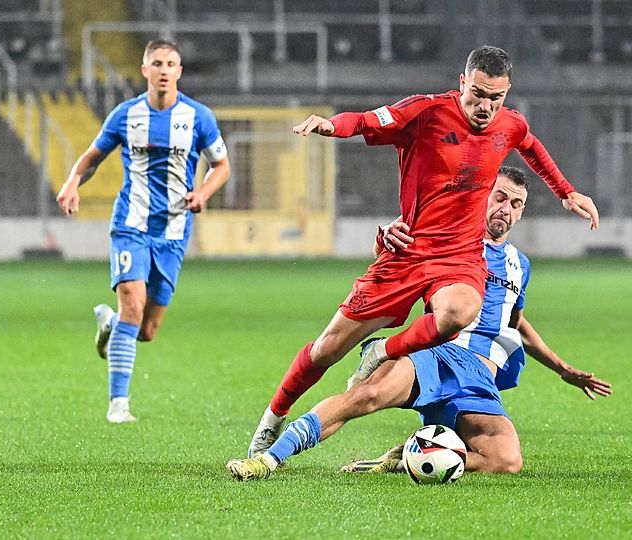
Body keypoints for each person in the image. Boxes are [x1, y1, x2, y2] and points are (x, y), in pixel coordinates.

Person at [246, 45, 601, 456]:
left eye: (495, 98)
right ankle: (273, 418)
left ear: (507, 94)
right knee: (326, 348)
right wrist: (332, 126)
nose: (485, 106)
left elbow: (532, 146)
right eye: (478, 94)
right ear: (463, 82)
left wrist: (566, 192)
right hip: (408, 251)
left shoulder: (510, 125)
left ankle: (384, 350)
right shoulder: (425, 112)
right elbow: (365, 120)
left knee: (460, 311)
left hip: (459, 257)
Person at [227, 166, 611, 480]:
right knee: (366, 397)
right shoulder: (449, 237)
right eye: (499, 197)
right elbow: (397, 256)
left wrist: (563, 369)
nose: (506, 209)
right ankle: (269, 459)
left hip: (478, 378)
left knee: (506, 460)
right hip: (436, 353)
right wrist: (385, 239)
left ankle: (412, 455)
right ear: (483, 196)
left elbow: (516, 323)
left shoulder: (519, 264)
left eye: (516, 204)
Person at [55, 39, 231, 423]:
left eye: (171, 63)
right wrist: (72, 183)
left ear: (179, 71)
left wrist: (203, 192)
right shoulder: (125, 115)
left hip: (173, 231)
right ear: (145, 70)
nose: (164, 69)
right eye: (157, 63)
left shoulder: (198, 117)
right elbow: (92, 158)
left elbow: (221, 165)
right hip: (130, 226)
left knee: (146, 329)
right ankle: (119, 405)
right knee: (132, 306)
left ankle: (111, 326)